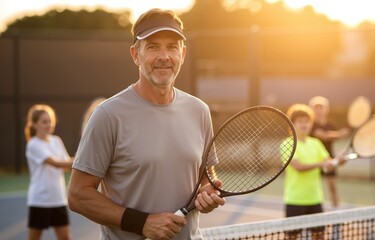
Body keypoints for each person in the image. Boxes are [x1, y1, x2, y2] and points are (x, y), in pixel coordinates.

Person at [67, 9, 225, 240]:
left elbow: (206, 174)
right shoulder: (108, 115)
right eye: (152, 47)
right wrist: (142, 223)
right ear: (135, 55)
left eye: (172, 46)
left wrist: (207, 191)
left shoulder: (199, 111)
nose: (164, 56)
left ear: (182, 54)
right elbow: (78, 195)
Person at [282, 104, 345, 239]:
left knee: (319, 236)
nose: (304, 125)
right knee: (291, 237)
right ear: (292, 124)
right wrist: (321, 164)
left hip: (315, 199)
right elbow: (298, 167)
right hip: (294, 200)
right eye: (300, 122)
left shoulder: (316, 143)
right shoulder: (287, 144)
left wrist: (337, 161)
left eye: (307, 121)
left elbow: (328, 165)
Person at [24, 104, 74, 240]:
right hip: (40, 201)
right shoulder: (33, 144)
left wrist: (75, 160)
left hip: (58, 199)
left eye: (50, 121)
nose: (49, 124)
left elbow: (65, 166)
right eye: (44, 122)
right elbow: (56, 163)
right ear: (34, 124)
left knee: (65, 238)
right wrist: (78, 160)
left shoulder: (56, 141)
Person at [308, 96, 350, 211]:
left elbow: (334, 140)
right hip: (314, 161)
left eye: (321, 108)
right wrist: (341, 133)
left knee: (332, 187)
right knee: (313, 188)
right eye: (316, 108)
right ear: (312, 110)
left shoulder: (331, 124)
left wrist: (340, 153)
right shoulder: (310, 124)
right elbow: (322, 135)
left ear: (326, 109)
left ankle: (336, 212)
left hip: (329, 159)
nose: (319, 110)